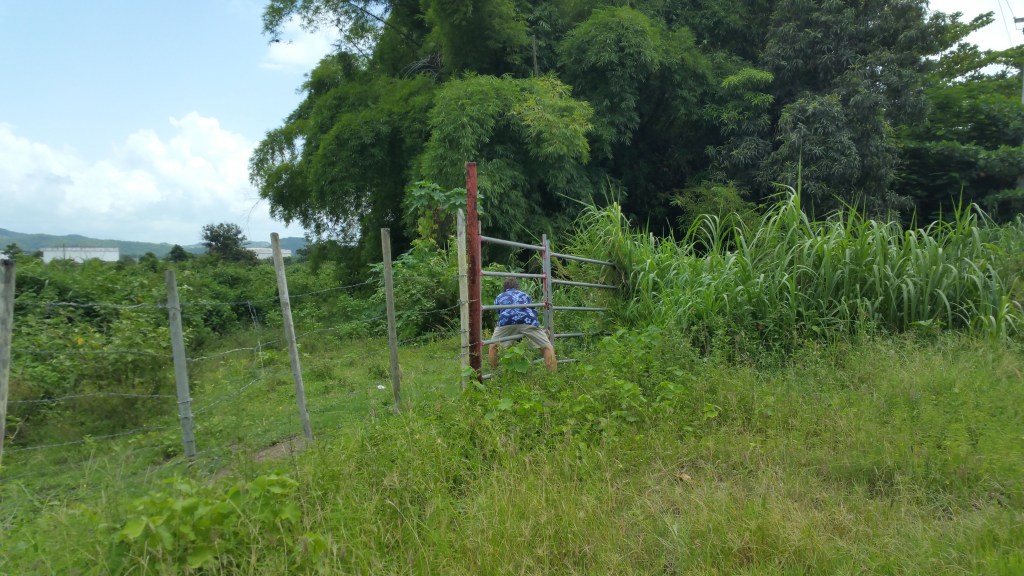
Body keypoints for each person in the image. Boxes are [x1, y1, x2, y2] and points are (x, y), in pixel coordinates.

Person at [488, 277, 557, 372]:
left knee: (493, 347)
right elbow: (532, 310)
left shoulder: (500, 296)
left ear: (504, 287)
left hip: (507, 320)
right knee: (547, 347)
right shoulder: (525, 295)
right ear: (517, 287)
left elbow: (499, 312)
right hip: (528, 320)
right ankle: (552, 375)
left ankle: (494, 374)